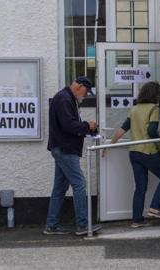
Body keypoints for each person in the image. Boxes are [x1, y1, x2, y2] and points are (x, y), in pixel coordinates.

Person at [105, 81, 160, 228]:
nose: (159, 97)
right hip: (148, 151)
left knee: (140, 187)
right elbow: (152, 131)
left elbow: (122, 129)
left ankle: (137, 220)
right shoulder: (154, 108)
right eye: (159, 94)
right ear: (154, 94)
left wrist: (109, 146)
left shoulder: (134, 109)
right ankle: (155, 207)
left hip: (134, 153)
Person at [44, 76, 102, 236]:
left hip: (61, 148)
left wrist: (86, 128)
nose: (85, 95)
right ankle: (82, 225)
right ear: (79, 87)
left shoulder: (64, 97)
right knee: (79, 184)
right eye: (86, 92)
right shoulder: (64, 99)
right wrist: (88, 126)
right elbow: (69, 126)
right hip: (65, 149)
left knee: (60, 188)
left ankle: (51, 225)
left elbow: (68, 125)